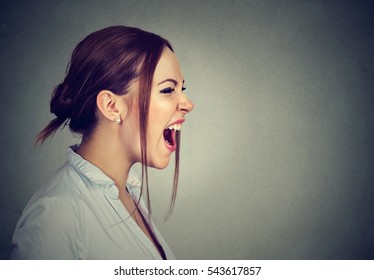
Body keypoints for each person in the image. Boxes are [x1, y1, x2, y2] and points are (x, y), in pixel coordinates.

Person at [10, 26, 194, 259]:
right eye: (168, 89)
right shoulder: (57, 216)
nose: (188, 103)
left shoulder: (127, 193)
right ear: (111, 106)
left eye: (182, 88)